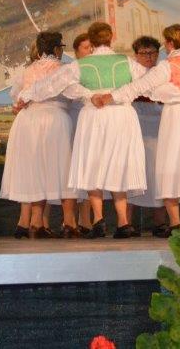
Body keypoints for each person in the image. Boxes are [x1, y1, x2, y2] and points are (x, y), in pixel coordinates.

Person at [18, 22, 147, 239]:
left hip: (94, 115)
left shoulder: (80, 65)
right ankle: (123, 222)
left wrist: (25, 96)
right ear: (111, 37)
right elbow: (149, 82)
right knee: (119, 164)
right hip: (122, 116)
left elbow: (52, 85)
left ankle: (98, 219)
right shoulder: (127, 62)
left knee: (93, 164)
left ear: (92, 40)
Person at [95, 24, 180, 234]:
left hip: (176, 116)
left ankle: (174, 223)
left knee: (170, 163)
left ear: (169, 43)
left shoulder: (167, 65)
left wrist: (112, 96)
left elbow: (140, 85)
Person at [1, 32, 79, 239]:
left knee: (36, 169)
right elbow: (74, 94)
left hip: (28, 120)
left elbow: (16, 97)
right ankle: (69, 222)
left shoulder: (27, 71)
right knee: (64, 168)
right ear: (56, 49)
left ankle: (35, 222)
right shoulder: (64, 70)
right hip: (54, 118)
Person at [126, 36, 166, 236]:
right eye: (144, 53)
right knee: (132, 173)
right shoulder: (130, 74)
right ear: (136, 55)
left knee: (157, 173)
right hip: (136, 125)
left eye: (153, 53)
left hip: (158, 127)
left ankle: (160, 222)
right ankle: (126, 223)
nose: (149, 57)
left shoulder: (163, 72)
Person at [69, 32, 94, 235]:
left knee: (88, 169)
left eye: (92, 47)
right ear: (76, 52)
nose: (90, 51)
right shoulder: (71, 71)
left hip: (91, 124)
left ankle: (86, 220)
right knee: (73, 171)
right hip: (73, 123)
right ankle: (70, 220)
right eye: (86, 48)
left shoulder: (96, 70)